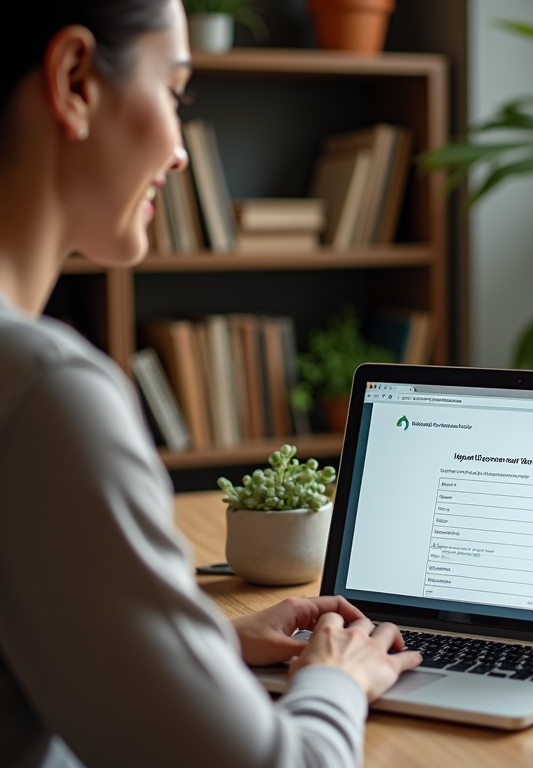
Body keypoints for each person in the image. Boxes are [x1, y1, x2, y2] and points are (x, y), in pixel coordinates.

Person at [0, 1, 422, 766]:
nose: (182, 152)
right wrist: (337, 680)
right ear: (75, 83)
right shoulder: (42, 393)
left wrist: (197, 650)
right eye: (176, 92)